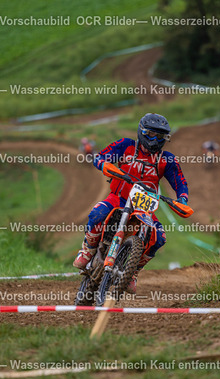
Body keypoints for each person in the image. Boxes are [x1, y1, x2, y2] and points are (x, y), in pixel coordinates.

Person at [73, 113, 189, 293]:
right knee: (98, 213)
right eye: (151, 134)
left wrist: (182, 199)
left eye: (160, 136)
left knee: (159, 238)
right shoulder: (126, 145)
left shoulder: (167, 159)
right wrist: (104, 164)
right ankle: (88, 249)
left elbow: (180, 183)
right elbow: (101, 156)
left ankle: (133, 272)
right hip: (118, 198)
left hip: (144, 207)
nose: (155, 139)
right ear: (142, 132)